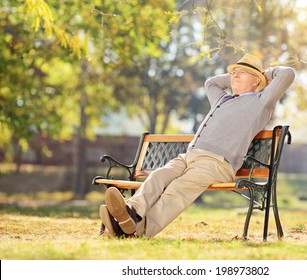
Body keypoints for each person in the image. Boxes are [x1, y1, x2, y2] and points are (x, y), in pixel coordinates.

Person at [99, 53, 295, 238]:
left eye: (241, 72)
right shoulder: (222, 99)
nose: (234, 75)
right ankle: (131, 212)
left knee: (177, 189)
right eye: (233, 72)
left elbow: (287, 74)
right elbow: (211, 83)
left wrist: (264, 76)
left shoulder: (261, 102)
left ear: (255, 80)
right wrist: (236, 76)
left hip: (216, 162)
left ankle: (137, 231)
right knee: (159, 176)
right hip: (189, 155)